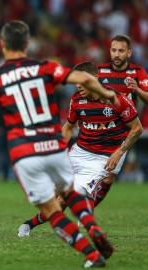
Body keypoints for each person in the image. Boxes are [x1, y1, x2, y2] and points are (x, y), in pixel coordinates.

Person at [0, 21, 116, 268]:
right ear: (27, 44)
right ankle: (92, 226)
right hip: (53, 145)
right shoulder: (45, 67)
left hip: (24, 152)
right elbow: (83, 77)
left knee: (53, 210)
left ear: (2, 44)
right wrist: (107, 94)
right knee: (71, 192)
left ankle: (92, 255)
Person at [17, 61, 142, 237]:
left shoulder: (117, 99)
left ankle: (81, 222)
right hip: (80, 150)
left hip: (105, 156)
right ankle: (30, 224)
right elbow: (68, 127)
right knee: (56, 196)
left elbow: (137, 128)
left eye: (82, 81)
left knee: (72, 196)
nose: (78, 85)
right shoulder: (76, 100)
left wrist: (120, 152)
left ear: (95, 79)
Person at [94, 34, 148, 206]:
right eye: (114, 50)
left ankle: (87, 209)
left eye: (121, 51)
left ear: (129, 53)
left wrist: (137, 90)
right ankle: (82, 209)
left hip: (123, 132)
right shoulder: (100, 72)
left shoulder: (137, 72)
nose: (117, 54)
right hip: (98, 129)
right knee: (91, 174)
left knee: (108, 178)